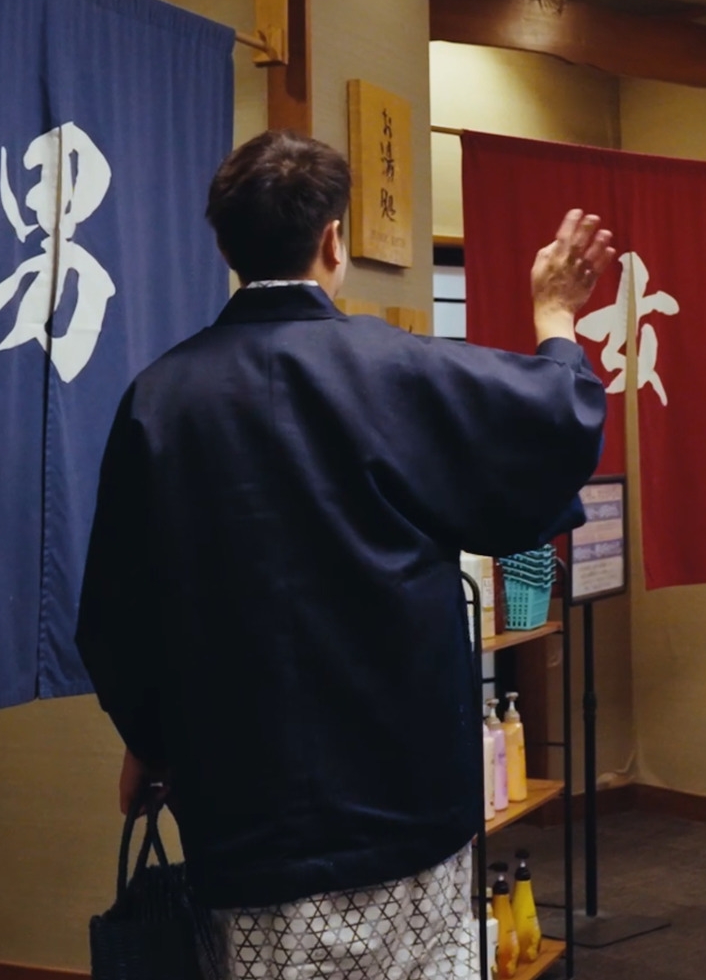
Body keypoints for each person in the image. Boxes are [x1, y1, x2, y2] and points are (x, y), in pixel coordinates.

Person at [76, 130, 614, 979]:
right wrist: (555, 318)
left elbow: (116, 614)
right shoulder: (400, 368)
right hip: (407, 796)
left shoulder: (159, 400)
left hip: (247, 812)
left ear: (225, 246)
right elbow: (552, 420)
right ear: (334, 239)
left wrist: (149, 739)